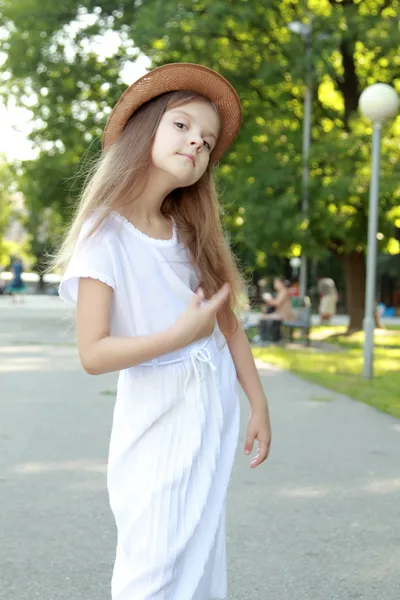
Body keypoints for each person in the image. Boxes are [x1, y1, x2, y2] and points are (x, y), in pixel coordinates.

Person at [54, 63, 272, 600]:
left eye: (207, 140)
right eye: (182, 126)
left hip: (209, 417)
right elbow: (93, 353)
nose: (196, 142)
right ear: (145, 127)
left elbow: (228, 325)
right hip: (156, 424)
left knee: (198, 563)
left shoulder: (189, 233)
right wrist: (179, 336)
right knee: (152, 567)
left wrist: (259, 402)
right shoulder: (105, 233)